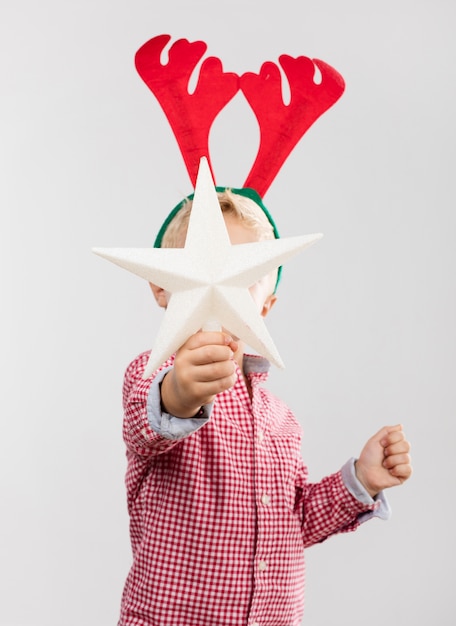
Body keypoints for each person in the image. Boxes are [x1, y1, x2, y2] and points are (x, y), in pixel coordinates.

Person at [118, 189, 412, 626]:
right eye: (202, 270)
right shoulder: (152, 374)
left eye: (244, 275)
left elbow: (291, 526)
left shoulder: (282, 420)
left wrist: (361, 479)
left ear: (266, 305)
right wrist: (181, 392)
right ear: (162, 285)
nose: (220, 288)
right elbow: (150, 423)